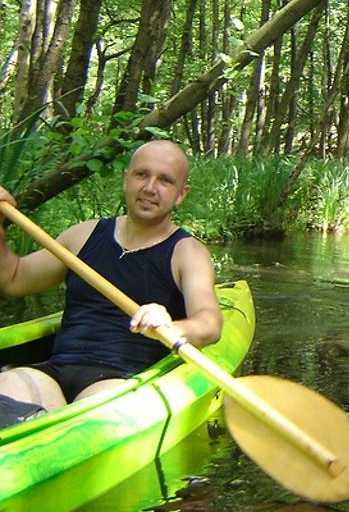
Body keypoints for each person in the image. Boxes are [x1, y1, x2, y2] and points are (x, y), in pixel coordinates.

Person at [0, 139, 222, 413]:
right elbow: (13, 278)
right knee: (8, 386)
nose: (150, 188)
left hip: (121, 379)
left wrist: (170, 326)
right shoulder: (83, 235)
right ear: (126, 180)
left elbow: (210, 324)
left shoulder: (187, 252)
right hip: (55, 370)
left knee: (89, 411)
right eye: (142, 174)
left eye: (165, 180)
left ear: (180, 194)